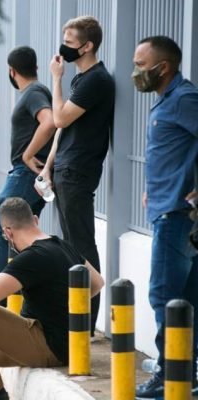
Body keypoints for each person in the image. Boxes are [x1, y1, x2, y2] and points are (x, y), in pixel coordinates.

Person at [0, 197, 104, 400]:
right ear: (35, 219)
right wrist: (67, 305)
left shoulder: (32, 257)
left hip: (48, 346)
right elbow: (97, 283)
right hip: (71, 346)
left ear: (7, 232)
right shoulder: (62, 245)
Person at [131, 36, 198, 398]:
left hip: (176, 215)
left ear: (163, 67)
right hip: (168, 208)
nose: (136, 72)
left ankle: (169, 375)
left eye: (141, 65)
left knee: (164, 296)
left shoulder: (184, 99)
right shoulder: (167, 101)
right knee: (186, 299)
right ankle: (186, 371)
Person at [40, 16, 114, 333]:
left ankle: (88, 321)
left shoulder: (96, 80)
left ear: (88, 46)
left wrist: (55, 78)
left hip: (79, 172)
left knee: (82, 247)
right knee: (71, 247)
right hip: (65, 169)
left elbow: (58, 118)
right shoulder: (81, 79)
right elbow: (63, 129)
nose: (63, 49)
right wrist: (48, 165)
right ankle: (77, 316)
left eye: (70, 43)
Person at [0, 46, 56, 284]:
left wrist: (28, 154)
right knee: (23, 236)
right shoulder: (37, 91)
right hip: (26, 174)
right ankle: (21, 295)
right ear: (35, 67)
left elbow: (49, 122)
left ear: (12, 71)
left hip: (25, 174)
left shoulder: (34, 92)